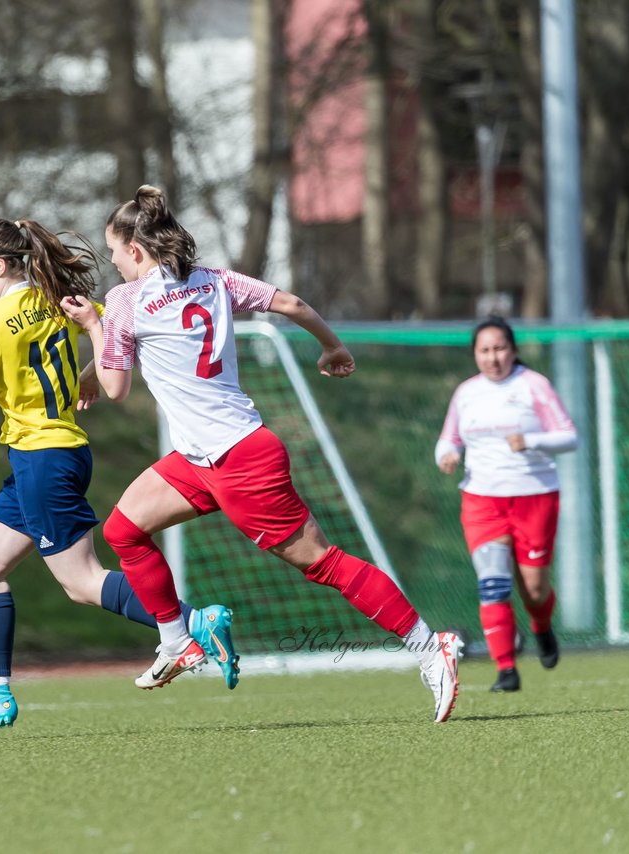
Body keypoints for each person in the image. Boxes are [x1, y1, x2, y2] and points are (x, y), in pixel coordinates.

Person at [61, 185, 462, 723]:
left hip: (238, 460)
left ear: (135, 250)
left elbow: (116, 389)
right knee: (123, 530)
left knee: (323, 563)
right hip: (205, 457)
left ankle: (427, 646)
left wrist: (92, 328)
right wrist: (332, 345)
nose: (112, 262)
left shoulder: (127, 305)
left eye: (113, 252)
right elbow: (290, 303)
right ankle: (178, 640)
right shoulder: (214, 280)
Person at [0, 216, 239, 734]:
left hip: (43, 460)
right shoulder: (53, 296)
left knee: (82, 583)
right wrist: (85, 375)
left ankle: (193, 621)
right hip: (47, 457)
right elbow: (113, 338)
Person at [435, 317, 577, 692]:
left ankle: (542, 627)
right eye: (484, 350)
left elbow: (569, 436)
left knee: (533, 590)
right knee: (493, 583)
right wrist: (447, 454)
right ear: (475, 355)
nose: (493, 357)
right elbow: (447, 439)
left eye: (499, 349)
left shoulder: (534, 385)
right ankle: (506, 669)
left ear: (513, 350)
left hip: (534, 497)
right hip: (482, 500)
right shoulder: (466, 392)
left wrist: (531, 440)